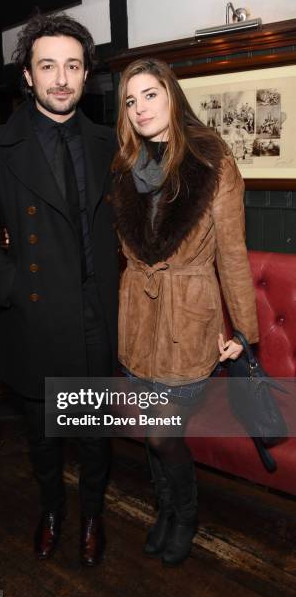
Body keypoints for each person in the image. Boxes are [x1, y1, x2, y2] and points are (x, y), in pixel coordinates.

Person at [0, 13, 119, 566]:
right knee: (46, 436)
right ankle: (52, 509)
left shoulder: (107, 141)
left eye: (72, 66)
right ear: (26, 75)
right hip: (35, 314)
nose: (61, 78)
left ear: (85, 74)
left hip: (99, 313)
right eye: (47, 65)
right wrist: (10, 288)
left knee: (97, 434)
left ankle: (93, 514)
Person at [111, 58, 258, 566]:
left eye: (150, 95)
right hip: (136, 320)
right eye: (131, 101)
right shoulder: (125, 166)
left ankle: (186, 514)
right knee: (154, 433)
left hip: (189, 320)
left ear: (172, 96)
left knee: (161, 432)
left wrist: (243, 328)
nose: (140, 108)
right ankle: (165, 510)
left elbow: (233, 253)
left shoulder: (211, 160)